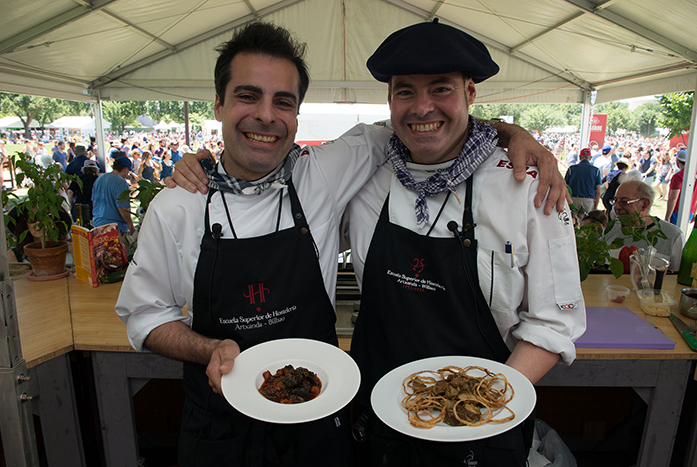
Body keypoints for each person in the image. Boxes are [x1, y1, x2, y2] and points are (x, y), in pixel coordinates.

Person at [122, 21, 567, 467]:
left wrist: (517, 135)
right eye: (246, 96)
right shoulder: (177, 205)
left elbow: (436, 124)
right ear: (218, 104)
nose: (266, 115)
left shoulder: (327, 174)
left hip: (370, 426)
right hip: (225, 430)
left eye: (283, 101)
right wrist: (208, 349)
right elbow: (145, 316)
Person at [340, 21, 585, 466]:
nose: (422, 108)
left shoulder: (527, 187)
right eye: (405, 91)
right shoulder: (363, 173)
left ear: (471, 93)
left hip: (485, 423)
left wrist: (480, 404)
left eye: (441, 89)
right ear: (389, 99)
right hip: (376, 418)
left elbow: (554, 323)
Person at [605, 179, 684, 269]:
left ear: (644, 204)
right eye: (615, 200)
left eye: (624, 202)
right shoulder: (611, 229)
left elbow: (677, 277)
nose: (616, 207)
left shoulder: (673, 235)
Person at [92, 156, 135, 233]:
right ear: (125, 169)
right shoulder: (121, 182)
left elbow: (94, 202)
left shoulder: (99, 179)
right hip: (114, 226)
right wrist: (130, 224)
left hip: (98, 223)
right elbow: (122, 207)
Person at [565, 147, 601, 215]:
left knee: (573, 221)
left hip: (573, 199)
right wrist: (595, 206)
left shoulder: (572, 169)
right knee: (585, 223)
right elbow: (598, 190)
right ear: (590, 158)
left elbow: (565, 185)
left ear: (579, 157)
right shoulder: (596, 170)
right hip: (588, 201)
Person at [665, 149, 697, 225]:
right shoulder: (694, 175)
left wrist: (667, 217)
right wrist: (694, 212)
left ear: (678, 161)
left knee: (673, 235)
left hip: (677, 211)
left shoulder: (678, 176)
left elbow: (673, 197)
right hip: (690, 211)